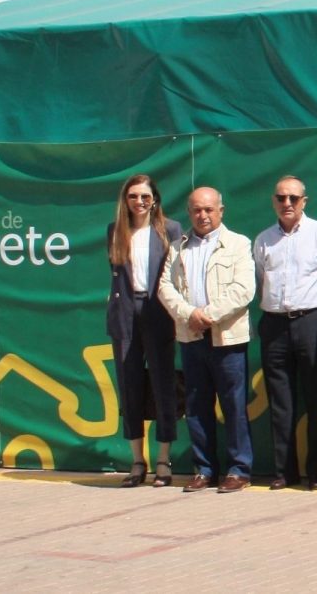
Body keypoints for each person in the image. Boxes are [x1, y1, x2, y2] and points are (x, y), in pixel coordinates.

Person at [158, 186, 255, 493]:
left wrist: (208, 315)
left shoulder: (238, 244)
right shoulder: (177, 248)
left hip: (227, 338)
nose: (203, 215)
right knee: (197, 406)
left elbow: (244, 289)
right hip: (191, 337)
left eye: (209, 209)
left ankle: (239, 470)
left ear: (220, 211)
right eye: (197, 210)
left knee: (234, 405)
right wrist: (189, 315)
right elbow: (164, 288)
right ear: (189, 213)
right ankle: (204, 469)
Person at [253, 175, 317, 490]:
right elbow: (260, 279)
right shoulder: (263, 239)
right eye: (281, 198)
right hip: (274, 324)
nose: (287, 203)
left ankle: (316, 473)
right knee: (280, 403)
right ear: (273, 201)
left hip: (312, 321)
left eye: (293, 198)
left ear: (304, 201)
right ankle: (284, 472)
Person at [104, 174, 183, 488]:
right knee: (130, 385)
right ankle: (137, 461)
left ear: (155, 200)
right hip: (125, 314)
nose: (139, 202)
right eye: (133, 196)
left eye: (145, 197)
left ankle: (163, 459)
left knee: (163, 384)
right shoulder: (115, 231)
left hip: (158, 311)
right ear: (125, 200)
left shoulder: (169, 230)